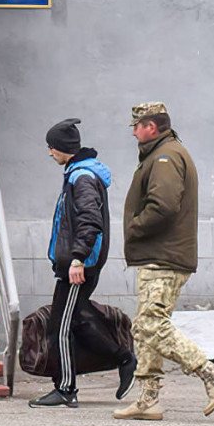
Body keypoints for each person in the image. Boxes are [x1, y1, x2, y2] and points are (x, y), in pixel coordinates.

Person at [113, 102, 214, 421]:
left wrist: (134, 227)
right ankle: (148, 400)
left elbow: (163, 206)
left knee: (152, 324)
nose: (134, 131)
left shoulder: (166, 157)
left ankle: (211, 373)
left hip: (164, 255)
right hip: (158, 254)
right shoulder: (162, 153)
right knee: (145, 328)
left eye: (137, 126)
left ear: (151, 127)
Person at [29, 118, 137, 408]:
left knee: (59, 327)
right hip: (78, 262)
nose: (50, 152)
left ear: (63, 148)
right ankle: (124, 358)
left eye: (51, 147)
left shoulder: (83, 177)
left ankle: (66, 388)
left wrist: (77, 259)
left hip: (80, 265)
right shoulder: (79, 173)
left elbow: (90, 221)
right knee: (73, 319)